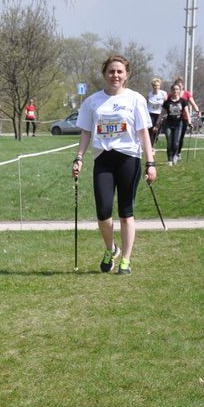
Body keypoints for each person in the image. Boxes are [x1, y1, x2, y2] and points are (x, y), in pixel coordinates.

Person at [72, 54, 156, 276]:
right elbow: (86, 132)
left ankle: (126, 260)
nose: (115, 75)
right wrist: (79, 158)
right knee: (103, 212)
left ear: (126, 75)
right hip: (103, 160)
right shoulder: (92, 101)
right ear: (104, 74)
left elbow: (143, 133)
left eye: (119, 71)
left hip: (128, 158)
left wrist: (150, 163)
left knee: (126, 212)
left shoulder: (136, 99)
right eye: (111, 71)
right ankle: (111, 249)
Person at [157, 82, 192, 166]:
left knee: (176, 142)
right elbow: (162, 113)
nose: (175, 91)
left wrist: (190, 123)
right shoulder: (167, 102)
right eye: (173, 89)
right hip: (168, 124)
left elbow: (187, 113)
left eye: (177, 89)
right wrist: (157, 123)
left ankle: (175, 155)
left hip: (178, 124)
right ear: (171, 91)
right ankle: (169, 159)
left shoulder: (183, 101)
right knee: (169, 142)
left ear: (179, 90)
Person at [146, 78, 166, 148]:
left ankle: (153, 145)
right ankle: (149, 145)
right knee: (150, 129)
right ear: (152, 86)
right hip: (151, 113)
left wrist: (165, 114)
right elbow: (146, 104)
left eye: (158, 85)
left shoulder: (163, 94)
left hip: (159, 114)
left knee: (156, 130)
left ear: (160, 86)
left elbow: (166, 104)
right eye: (154, 85)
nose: (156, 87)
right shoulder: (150, 94)